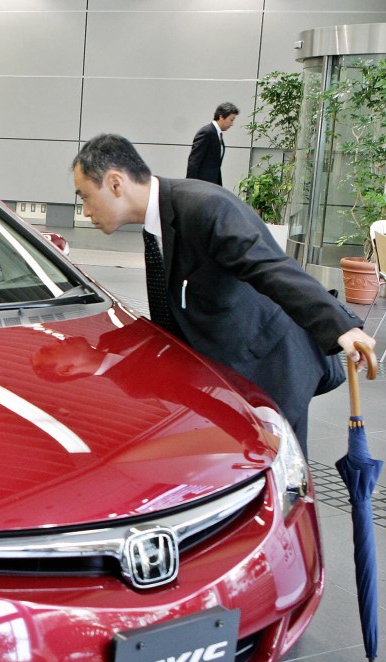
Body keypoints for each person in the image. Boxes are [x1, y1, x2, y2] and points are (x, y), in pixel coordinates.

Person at [71, 133, 375, 453]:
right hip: (232, 375)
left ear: (116, 183)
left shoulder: (205, 206)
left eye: (85, 197)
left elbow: (270, 267)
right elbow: (169, 319)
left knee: (282, 476)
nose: (87, 211)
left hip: (275, 364)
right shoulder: (156, 225)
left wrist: (341, 326)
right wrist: (100, 354)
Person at [186, 102, 238, 186]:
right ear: (221, 117)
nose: (232, 124)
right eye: (231, 120)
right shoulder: (206, 132)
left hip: (211, 185)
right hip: (201, 185)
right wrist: (191, 186)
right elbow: (194, 161)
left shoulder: (217, 133)